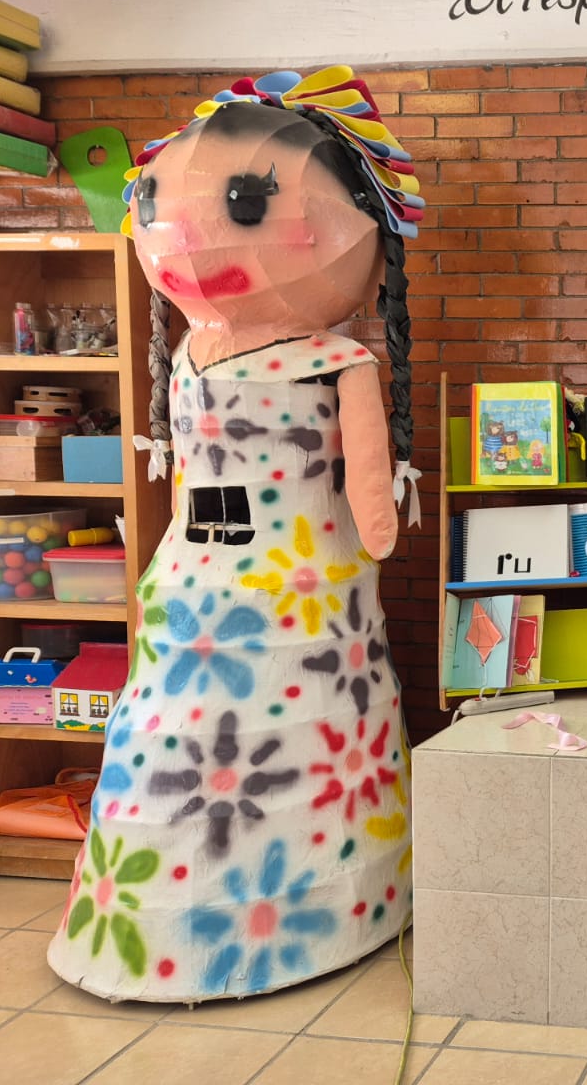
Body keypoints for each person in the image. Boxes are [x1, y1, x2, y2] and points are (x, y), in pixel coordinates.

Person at [47, 67, 425, 1001]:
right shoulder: (207, 349)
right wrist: (375, 528)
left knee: (247, 737)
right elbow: (363, 498)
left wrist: (372, 524)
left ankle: (299, 914)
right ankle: (196, 923)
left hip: (256, 577)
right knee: (197, 739)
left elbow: (366, 483)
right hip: (241, 580)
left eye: (250, 202)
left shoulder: (318, 358)